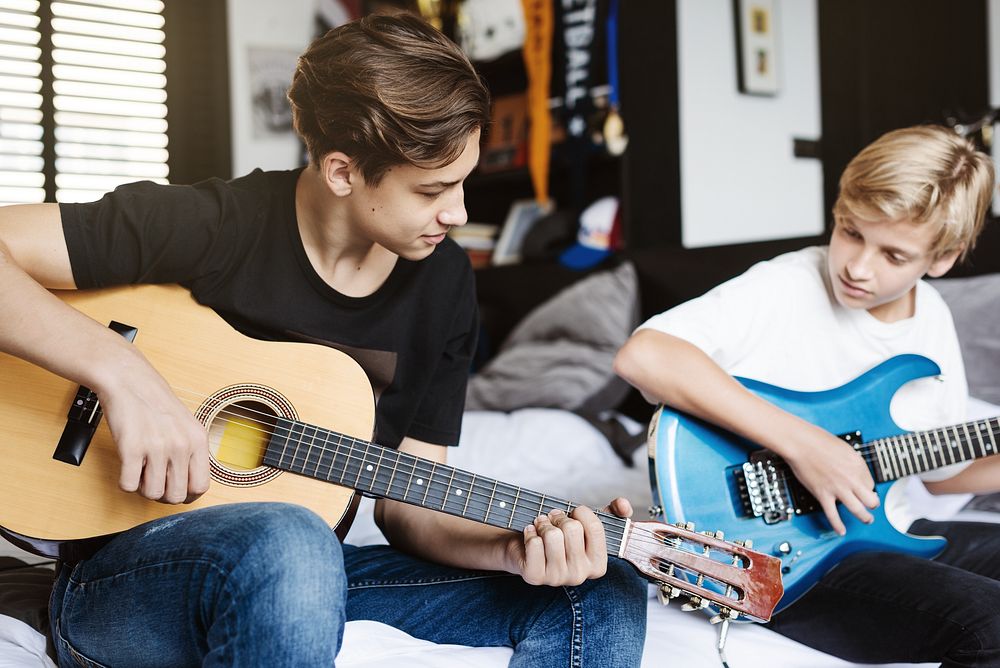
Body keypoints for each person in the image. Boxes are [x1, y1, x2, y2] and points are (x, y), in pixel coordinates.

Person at [0, 12, 647, 668]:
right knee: (295, 538)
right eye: (432, 190)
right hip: (126, 581)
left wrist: (512, 549)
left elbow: (410, 504)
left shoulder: (444, 280)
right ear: (342, 172)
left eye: (463, 183)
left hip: (302, 580)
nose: (458, 214)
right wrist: (121, 372)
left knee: (600, 588)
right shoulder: (216, 223)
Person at [614, 124, 1000, 666]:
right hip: (782, 555)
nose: (857, 267)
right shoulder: (787, 285)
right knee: (992, 624)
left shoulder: (930, 313)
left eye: (893, 256)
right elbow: (644, 356)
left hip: (887, 530)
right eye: (850, 231)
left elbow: (938, 473)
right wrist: (807, 447)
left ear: (942, 258)